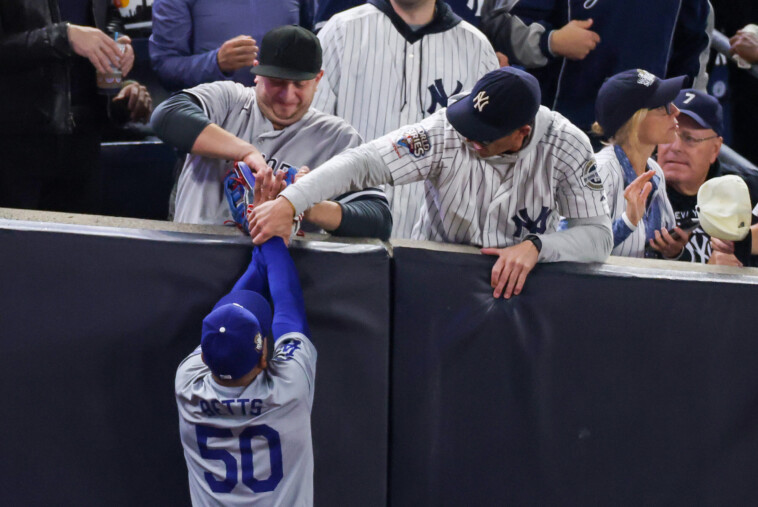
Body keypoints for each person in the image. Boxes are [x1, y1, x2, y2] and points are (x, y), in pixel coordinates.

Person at [249, 67, 613, 299]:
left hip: (524, 287)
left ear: (522, 133)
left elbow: (598, 237)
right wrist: (290, 202)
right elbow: (363, 161)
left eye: (484, 136)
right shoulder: (448, 129)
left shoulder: (567, 144)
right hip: (438, 277)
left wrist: (538, 246)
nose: (471, 138)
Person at [151, 25, 392, 240]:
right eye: (277, 81)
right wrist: (245, 151)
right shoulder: (229, 100)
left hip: (278, 272)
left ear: (318, 80)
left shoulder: (337, 137)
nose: (287, 96)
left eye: (300, 84)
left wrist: (304, 203)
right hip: (193, 256)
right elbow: (166, 116)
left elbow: (378, 219)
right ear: (257, 73)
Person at [313, 0, 500, 238]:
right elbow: (314, 138)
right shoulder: (340, 31)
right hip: (345, 232)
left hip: (434, 241)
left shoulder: (478, 49)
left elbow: (489, 161)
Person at [175, 236, 316, 505]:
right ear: (263, 358)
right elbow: (288, 307)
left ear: (204, 357)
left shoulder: (187, 383)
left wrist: (260, 248)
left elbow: (225, 315)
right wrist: (270, 236)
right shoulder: (290, 387)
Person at [0, 0, 153, 214]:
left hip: (84, 139)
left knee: (77, 245)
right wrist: (64, 37)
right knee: (17, 245)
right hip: (17, 143)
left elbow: (108, 15)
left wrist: (115, 44)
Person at [479, 0, 712, 136]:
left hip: (641, 134)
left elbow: (694, 49)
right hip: (560, 127)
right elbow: (500, 19)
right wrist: (550, 41)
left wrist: (678, 121)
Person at [592, 69, 688, 259]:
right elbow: (575, 245)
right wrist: (627, 223)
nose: (676, 111)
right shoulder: (600, 170)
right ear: (634, 119)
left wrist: (672, 251)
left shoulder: (655, 170)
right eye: (662, 106)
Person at [658, 88, 758, 265]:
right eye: (669, 134)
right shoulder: (640, 188)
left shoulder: (747, 189)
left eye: (689, 139)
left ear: (715, 149)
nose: (675, 147)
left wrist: (744, 246)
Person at [149, 0, 314, 90]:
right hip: (216, 128)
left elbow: (313, 47)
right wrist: (216, 63)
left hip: (288, 123)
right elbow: (165, 67)